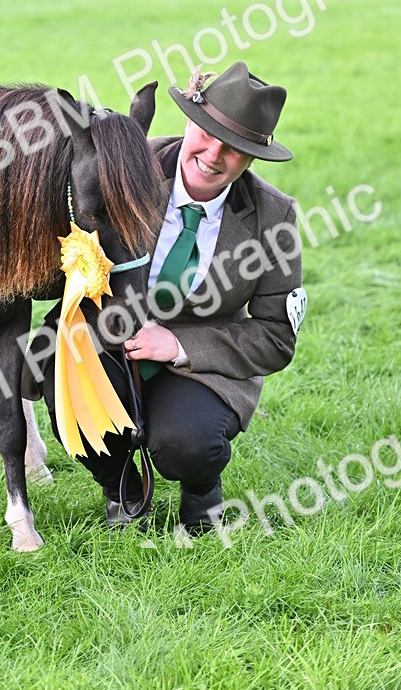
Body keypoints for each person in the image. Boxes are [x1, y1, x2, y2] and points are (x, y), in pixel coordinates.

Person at [23, 60, 306, 534]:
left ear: (254, 158)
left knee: (187, 443)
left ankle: (201, 489)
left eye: (235, 149)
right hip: (101, 338)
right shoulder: (125, 167)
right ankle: (122, 490)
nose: (214, 155)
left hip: (197, 367)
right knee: (69, 393)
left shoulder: (274, 218)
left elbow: (276, 336)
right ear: (189, 121)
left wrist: (177, 347)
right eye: (208, 133)